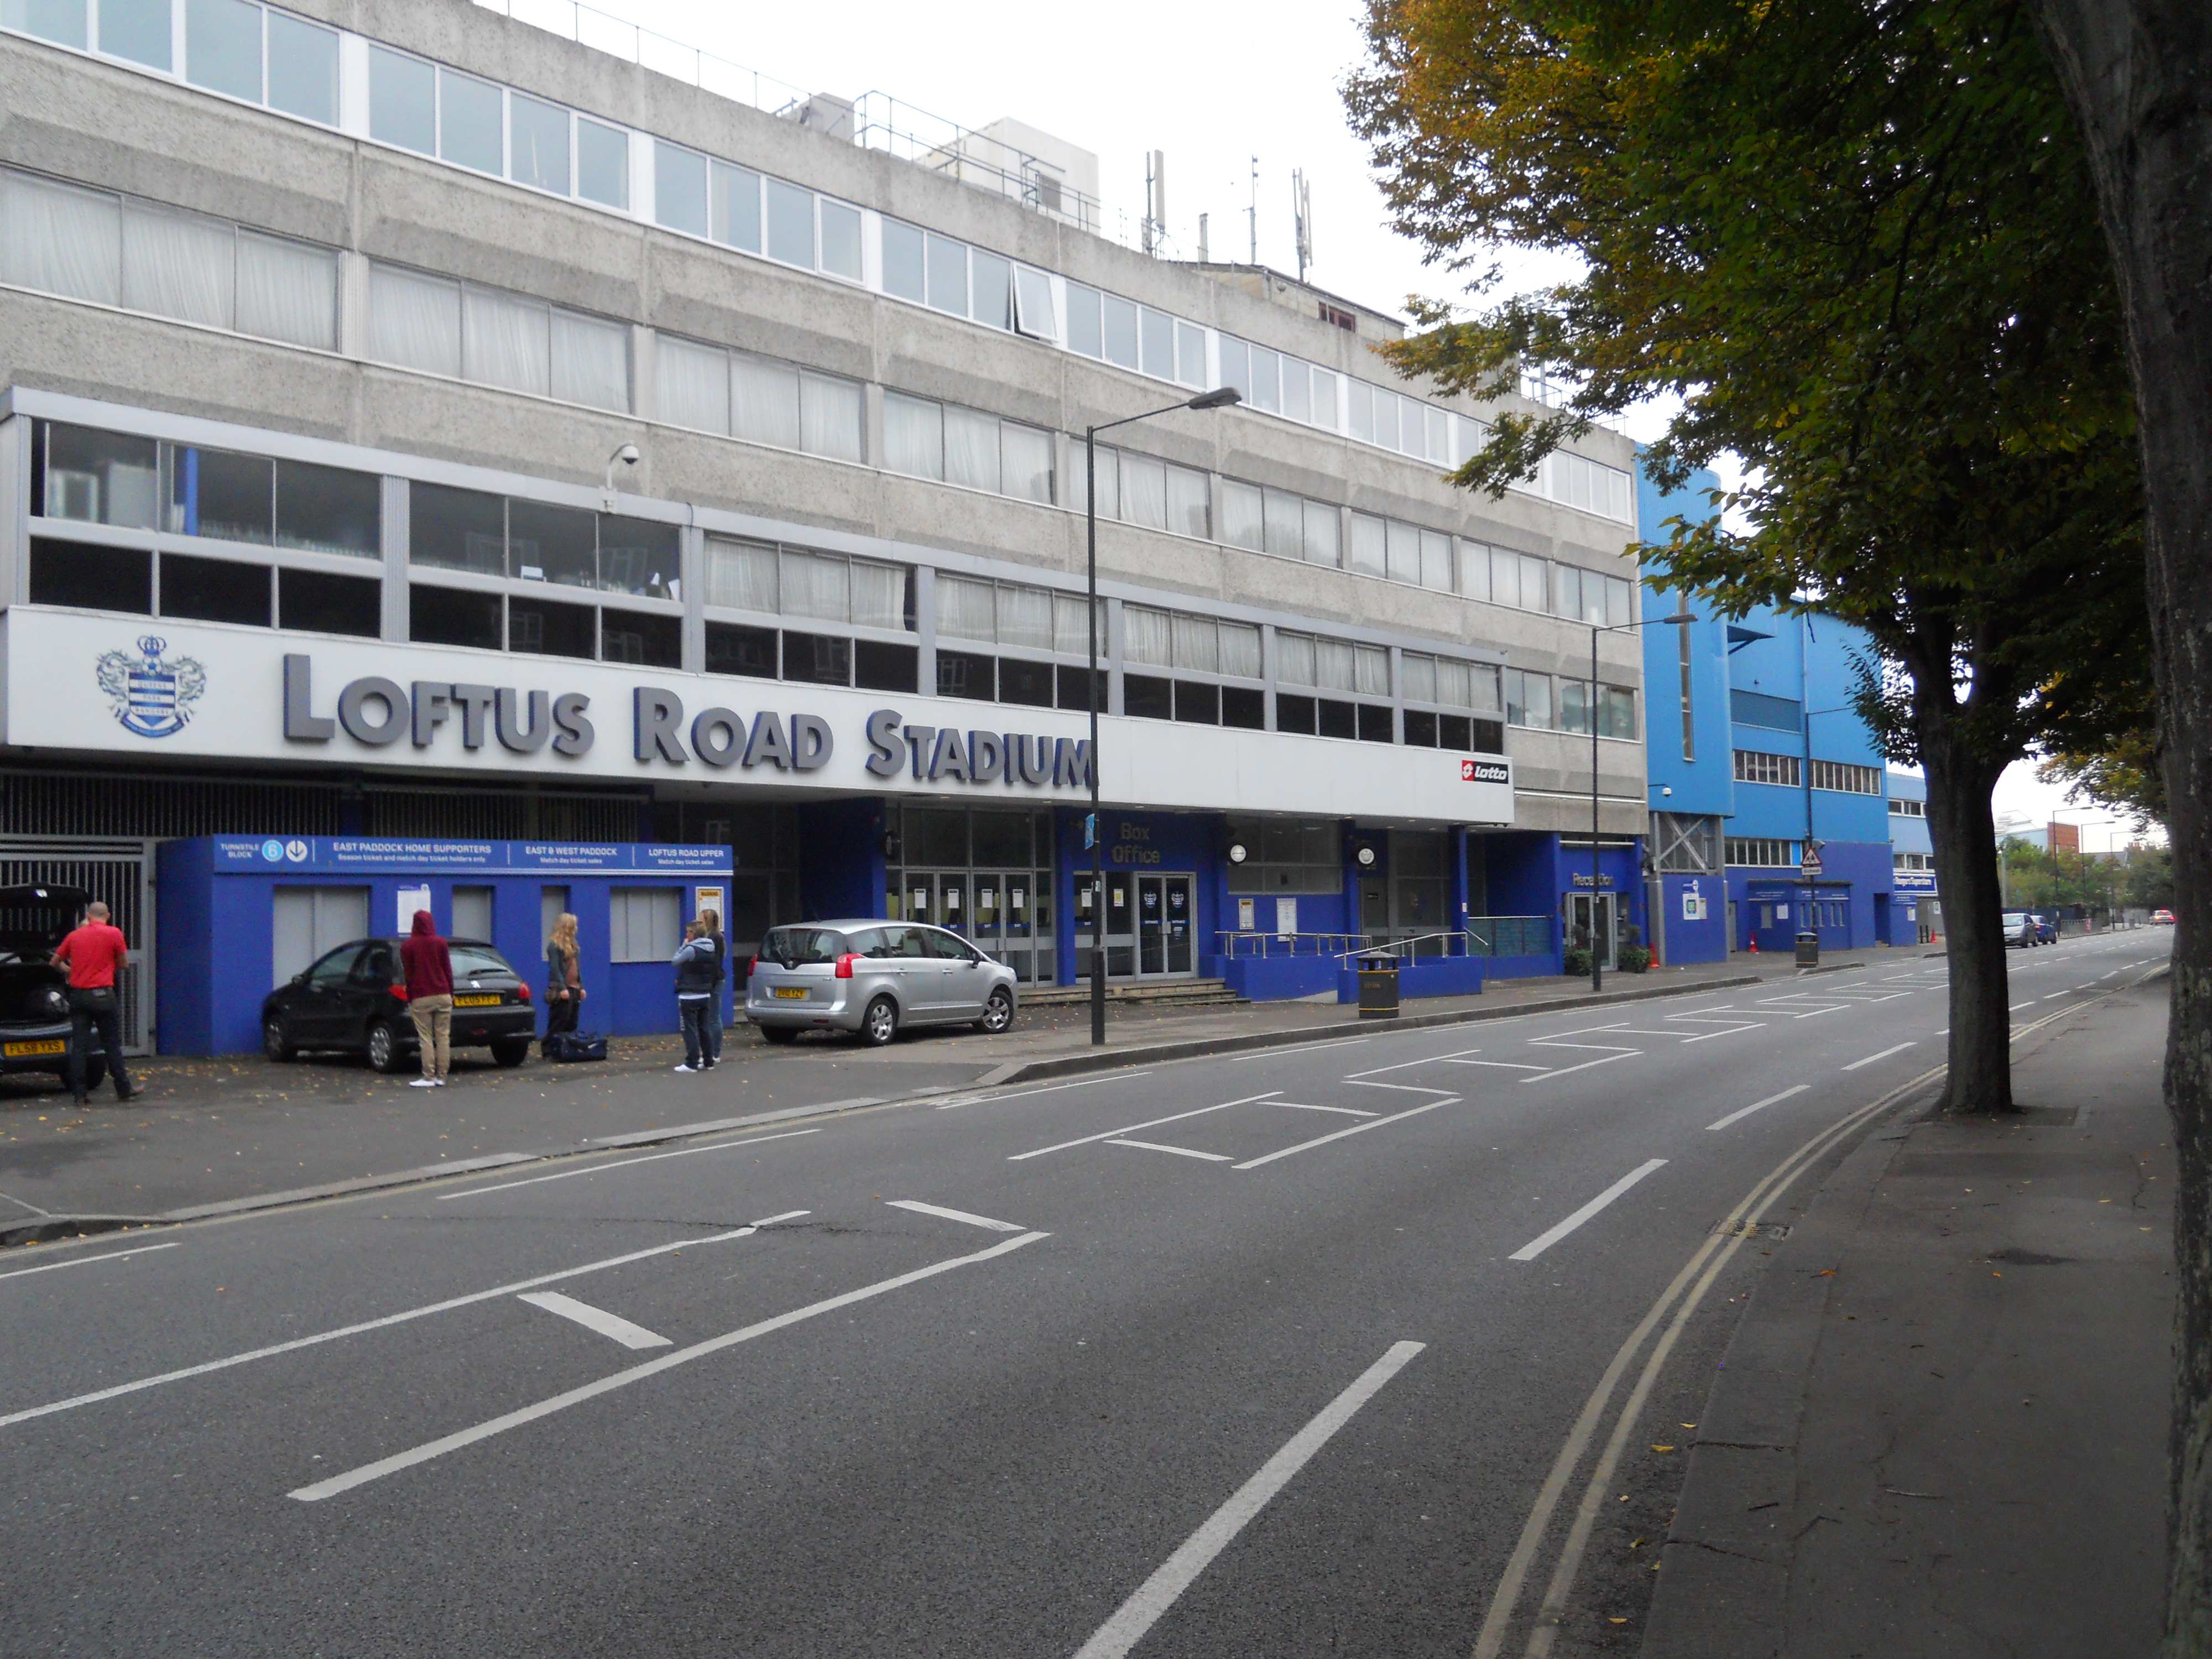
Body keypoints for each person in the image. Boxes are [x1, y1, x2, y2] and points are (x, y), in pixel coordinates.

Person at [52, 900, 134, 1105]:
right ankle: (123, 1088)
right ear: (108, 916)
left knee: (79, 1045)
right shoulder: (114, 933)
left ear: (88, 917)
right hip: (103, 996)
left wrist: (70, 971)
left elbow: (54, 962)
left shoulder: (74, 936)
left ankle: (79, 1094)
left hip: (79, 996)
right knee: (111, 1044)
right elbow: (124, 964)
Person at [399, 909, 453, 1088]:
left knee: (426, 1037)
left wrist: (411, 996)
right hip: (443, 994)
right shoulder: (441, 943)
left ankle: (428, 1076)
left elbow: (409, 974)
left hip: (421, 996)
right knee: (443, 1036)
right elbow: (448, 971)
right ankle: (442, 1076)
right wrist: (450, 993)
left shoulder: (408, 946)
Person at [672, 917, 722, 1073]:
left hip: (689, 994)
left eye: (689, 932)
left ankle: (691, 1063)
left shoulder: (691, 949)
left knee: (689, 1029)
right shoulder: (710, 948)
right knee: (704, 1028)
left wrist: (684, 945)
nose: (687, 934)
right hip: (705, 993)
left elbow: (675, 961)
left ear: (694, 933)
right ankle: (708, 1061)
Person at [544, 911, 583, 1053]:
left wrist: (581, 987)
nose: (576, 928)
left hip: (574, 988)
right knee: (559, 1021)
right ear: (567, 926)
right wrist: (562, 988)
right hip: (563, 989)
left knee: (572, 1022)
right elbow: (555, 969)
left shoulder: (573, 945)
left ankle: (567, 1049)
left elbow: (577, 967)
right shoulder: (554, 946)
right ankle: (548, 1049)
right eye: (573, 925)